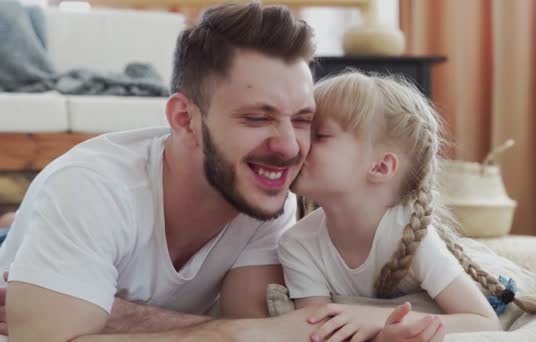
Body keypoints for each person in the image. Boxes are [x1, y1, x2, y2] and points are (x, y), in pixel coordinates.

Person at [0, 2, 329, 341]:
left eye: (302, 120)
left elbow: (256, 328)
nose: (289, 147)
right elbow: (252, 333)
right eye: (257, 118)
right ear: (184, 120)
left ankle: (14, 225)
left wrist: (110, 314)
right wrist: (234, 334)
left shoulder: (262, 197)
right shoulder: (90, 187)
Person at [279, 72, 505, 342]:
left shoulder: (406, 233)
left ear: (380, 166)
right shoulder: (296, 244)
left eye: (321, 135)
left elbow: (485, 321)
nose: (296, 144)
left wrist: (376, 318)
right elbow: (318, 331)